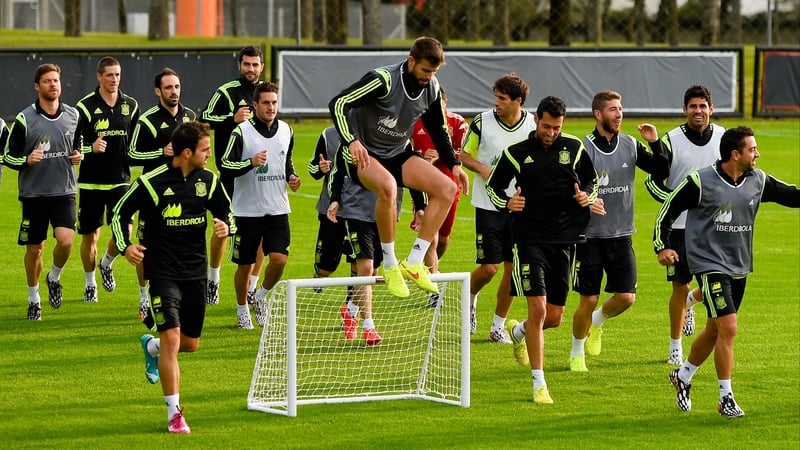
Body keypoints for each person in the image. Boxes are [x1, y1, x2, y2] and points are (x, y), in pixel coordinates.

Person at [655, 125, 799, 419]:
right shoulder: (700, 181)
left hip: (739, 265)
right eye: (752, 149)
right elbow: (668, 210)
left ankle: (682, 376)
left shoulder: (758, 180)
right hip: (708, 264)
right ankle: (725, 397)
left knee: (714, 330)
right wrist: (662, 246)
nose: (757, 154)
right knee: (729, 327)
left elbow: (792, 195)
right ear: (736, 154)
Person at [110, 121, 233, 434]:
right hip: (162, 273)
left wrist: (226, 227)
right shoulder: (151, 183)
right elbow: (119, 213)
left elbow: (227, 212)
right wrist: (125, 247)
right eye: (206, 150)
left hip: (195, 273)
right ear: (188, 152)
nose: (210, 155)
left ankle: (149, 347)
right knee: (173, 337)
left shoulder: (210, 180)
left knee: (190, 345)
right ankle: (174, 414)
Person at [328, 36, 469, 299]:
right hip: (364, 156)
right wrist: (351, 141)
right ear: (411, 61)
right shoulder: (383, 80)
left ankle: (414, 262)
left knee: (447, 188)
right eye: (425, 70)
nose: (429, 76)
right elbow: (338, 104)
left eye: (434, 72)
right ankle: (391, 263)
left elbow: (438, 130)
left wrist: (455, 164)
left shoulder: (431, 88)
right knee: (388, 188)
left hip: (396, 153)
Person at [486, 96, 601, 404]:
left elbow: (592, 182)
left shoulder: (574, 148)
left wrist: (586, 197)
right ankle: (539, 384)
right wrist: (508, 202)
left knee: (553, 318)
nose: (551, 132)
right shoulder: (515, 153)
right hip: (528, 239)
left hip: (564, 241)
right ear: (536, 119)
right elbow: (493, 187)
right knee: (537, 309)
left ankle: (518, 332)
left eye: (557, 127)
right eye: (547, 126)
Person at [568, 91, 669, 372]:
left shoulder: (630, 145)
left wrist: (654, 142)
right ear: (598, 115)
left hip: (622, 235)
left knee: (626, 298)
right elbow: (569, 191)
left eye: (621, 109)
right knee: (587, 299)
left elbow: (661, 170)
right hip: (589, 238)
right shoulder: (583, 149)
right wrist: (587, 202)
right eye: (613, 109)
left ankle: (597, 323)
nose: (619, 114)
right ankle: (577, 351)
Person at [644, 84, 724, 365]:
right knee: (679, 286)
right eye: (693, 106)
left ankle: (693, 301)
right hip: (678, 228)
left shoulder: (724, 138)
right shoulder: (671, 140)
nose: (698, 111)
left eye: (703, 106)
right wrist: (676, 202)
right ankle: (675, 346)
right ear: (685, 110)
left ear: (711, 109)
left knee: (719, 282)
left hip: (714, 227)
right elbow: (653, 181)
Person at [459, 73, 536, 339]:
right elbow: (463, 154)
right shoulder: (482, 121)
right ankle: (469, 297)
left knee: (513, 269)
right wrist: (481, 168)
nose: (496, 102)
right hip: (487, 204)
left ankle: (497, 327)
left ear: (518, 101)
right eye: (496, 97)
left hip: (519, 208)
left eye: (502, 98)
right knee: (489, 267)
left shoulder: (532, 126)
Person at [3, 63, 82, 320]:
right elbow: (7, 156)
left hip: (64, 190)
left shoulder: (73, 115)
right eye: (47, 81)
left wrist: (80, 155)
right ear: (37, 87)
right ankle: (33, 297)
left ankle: (54, 277)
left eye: (56, 80)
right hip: (34, 194)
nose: (53, 85)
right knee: (35, 249)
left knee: (66, 240)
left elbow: (78, 145)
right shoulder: (25, 119)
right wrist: (27, 160)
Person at [219, 82, 300, 329]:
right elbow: (225, 165)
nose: (271, 107)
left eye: (274, 102)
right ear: (254, 105)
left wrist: (292, 177)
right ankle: (242, 308)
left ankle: (261, 296)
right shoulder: (241, 132)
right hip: (247, 210)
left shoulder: (287, 130)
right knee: (245, 265)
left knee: (279, 260)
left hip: (278, 208)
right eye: (266, 103)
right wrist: (250, 163)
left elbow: (286, 162)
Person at [128, 67, 197, 316]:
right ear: (158, 91)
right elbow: (131, 154)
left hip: (184, 191)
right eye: (169, 87)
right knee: (147, 248)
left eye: (177, 86)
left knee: (182, 244)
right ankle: (143, 296)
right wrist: (161, 152)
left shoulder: (189, 116)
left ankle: (178, 294)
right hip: (154, 193)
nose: (174, 91)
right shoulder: (147, 120)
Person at [201, 45, 265, 306]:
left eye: (255, 64)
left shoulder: (265, 94)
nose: (251, 69)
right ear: (239, 65)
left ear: (262, 66)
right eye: (247, 64)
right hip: (230, 175)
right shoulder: (226, 92)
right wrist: (232, 118)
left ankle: (251, 287)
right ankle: (213, 278)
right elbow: (204, 117)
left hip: (258, 177)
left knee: (260, 235)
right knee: (222, 229)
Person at [74, 56, 139, 303]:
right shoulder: (84, 107)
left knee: (125, 229)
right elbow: (73, 145)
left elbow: (133, 141)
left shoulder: (130, 105)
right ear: (99, 77)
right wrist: (91, 148)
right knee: (90, 236)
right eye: (109, 75)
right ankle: (90, 284)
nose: (114, 79)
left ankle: (107, 262)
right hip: (91, 181)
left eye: (118, 74)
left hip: (121, 179)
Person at [409, 86, 468, 306]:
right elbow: (405, 153)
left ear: (445, 102)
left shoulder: (458, 123)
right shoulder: (414, 124)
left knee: (443, 240)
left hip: (450, 187)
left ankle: (428, 267)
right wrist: (423, 158)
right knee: (431, 238)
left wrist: (445, 156)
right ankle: (434, 291)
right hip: (423, 185)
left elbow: (465, 154)